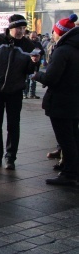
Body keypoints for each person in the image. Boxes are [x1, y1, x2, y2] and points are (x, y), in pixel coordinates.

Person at [0, 14, 39, 170]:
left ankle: (10, 157)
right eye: (18, 28)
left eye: (23, 28)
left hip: (15, 90)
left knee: (13, 125)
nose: (21, 31)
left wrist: (34, 64)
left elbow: (30, 72)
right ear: (10, 28)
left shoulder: (28, 46)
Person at [32, 14, 79, 186]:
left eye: (54, 31)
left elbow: (51, 78)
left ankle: (69, 174)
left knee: (66, 139)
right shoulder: (75, 48)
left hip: (61, 102)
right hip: (74, 100)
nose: (52, 34)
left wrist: (37, 75)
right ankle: (72, 168)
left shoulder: (63, 51)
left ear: (60, 33)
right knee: (73, 137)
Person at [24, 31, 43, 99]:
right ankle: (25, 94)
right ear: (29, 36)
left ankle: (32, 94)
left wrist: (38, 53)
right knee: (26, 80)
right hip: (27, 64)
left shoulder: (38, 44)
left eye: (35, 37)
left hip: (35, 64)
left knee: (34, 80)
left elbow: (42, 52)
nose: (33, 39)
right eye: (32, 37)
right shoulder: (26, 43)